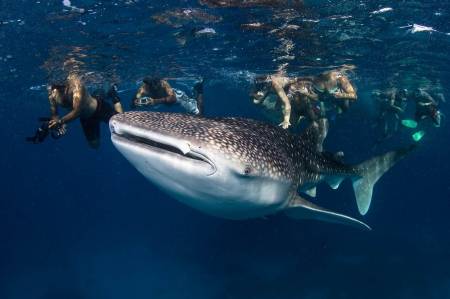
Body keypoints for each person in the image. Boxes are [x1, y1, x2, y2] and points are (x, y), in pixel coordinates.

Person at [47, 73, 123, 149]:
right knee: (95, 145)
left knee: (121, 124)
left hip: (99, 108)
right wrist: (57, 125)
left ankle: (114, 97)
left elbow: (77, 111)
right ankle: (107, 93)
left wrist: (61, 122)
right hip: (86, 118)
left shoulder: (76, 84)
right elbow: (55, 115)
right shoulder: (52, 93)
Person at [132, 77, 204, 115]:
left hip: (177, 97)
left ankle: (199, 89)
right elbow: (135, 100)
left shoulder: (164, 84)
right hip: (162, 100)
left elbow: (173, 98)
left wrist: (155, 101)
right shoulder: (143, 89)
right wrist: (136, 102)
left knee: (198, 114)